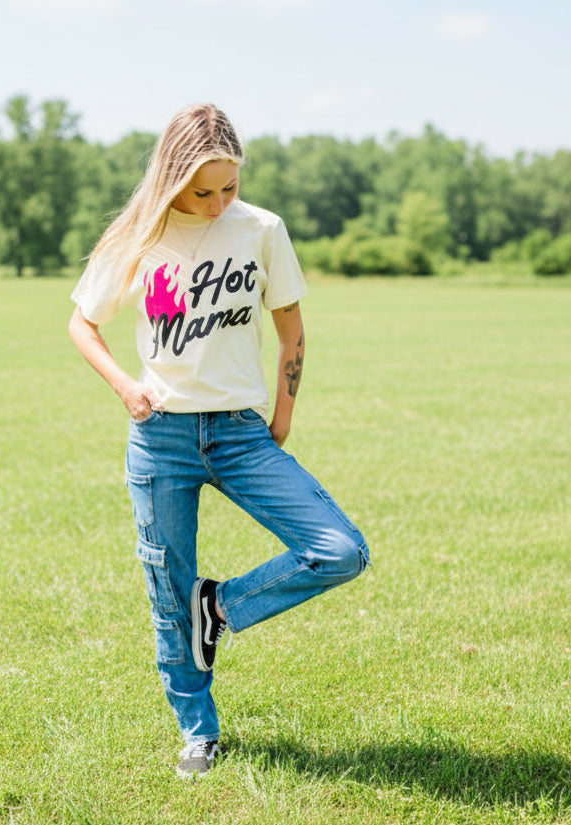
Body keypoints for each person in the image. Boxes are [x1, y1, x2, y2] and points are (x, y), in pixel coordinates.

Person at [67, 104, 369, 780]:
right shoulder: (139, 236)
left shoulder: (262, 230)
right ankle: (198, 733)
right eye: (201, 190)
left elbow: (291, 330)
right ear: (171, 178)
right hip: (161, 439)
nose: (215, 202)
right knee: (166, 592)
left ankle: (222, 606)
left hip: (240, 433)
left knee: (341, 551)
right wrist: (124, 386)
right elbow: (83, 325)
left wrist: (283, 412)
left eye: (227, 187)